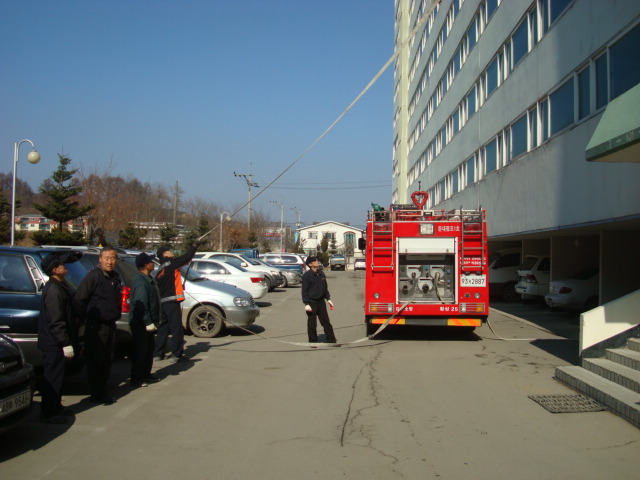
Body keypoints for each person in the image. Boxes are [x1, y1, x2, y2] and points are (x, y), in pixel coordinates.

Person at [38, 252, 81, 423]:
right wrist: (65, 343)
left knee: (59, 377)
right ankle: (49, 413)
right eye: (61, 264)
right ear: (55, 270)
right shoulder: (54, 290)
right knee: (53, 378)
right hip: (53, 343)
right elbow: (56, 321)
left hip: (57, 342)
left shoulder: (60, 286)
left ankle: (56, 407)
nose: (65, 266)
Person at [75, 247, 122, 405]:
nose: (110, 262)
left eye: (113, 258)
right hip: (96, 326)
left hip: (110, 324)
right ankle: (96, 394)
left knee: (107, 359)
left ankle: (102, 390)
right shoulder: (93, 277)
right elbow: (80, 300)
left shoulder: (115, 277)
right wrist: (84, 318)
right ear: (100, 259)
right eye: (106, 258)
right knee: (96, 360)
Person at [153, 243, 198, 363]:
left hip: (163, 303)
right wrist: (194, 246)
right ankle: (176, 354)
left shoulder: (161, 269)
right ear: (164, 254)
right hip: (172, 302)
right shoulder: (171, 264)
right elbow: (186, 258)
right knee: (176, 328)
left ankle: (158, 353)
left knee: (163, 328)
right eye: (169, 250)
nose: (172, 251)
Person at [129, 252, 161, 387]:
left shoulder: (149, 279)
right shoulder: (141, 282)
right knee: (140, 351)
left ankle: (146, 374)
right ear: (145, 265)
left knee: (148, 350)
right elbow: (142, 304)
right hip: (141, 323)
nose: (153, 264)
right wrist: (148, 322)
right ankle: (137, 378)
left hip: (150, 321)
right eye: (151, 262)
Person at [301, 256, 337, 343]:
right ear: (310, 264)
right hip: (312, 302)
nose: (317, 262)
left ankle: (331, 339)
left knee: (326, 321)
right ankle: (313, 340)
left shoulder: (321, 273)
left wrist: (328, 298)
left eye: (316, 260)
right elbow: (304, 290)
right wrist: (306, 303)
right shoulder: (307, 276)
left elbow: (325, 287)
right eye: (315, 261)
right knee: (312, 323)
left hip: (321, 302)